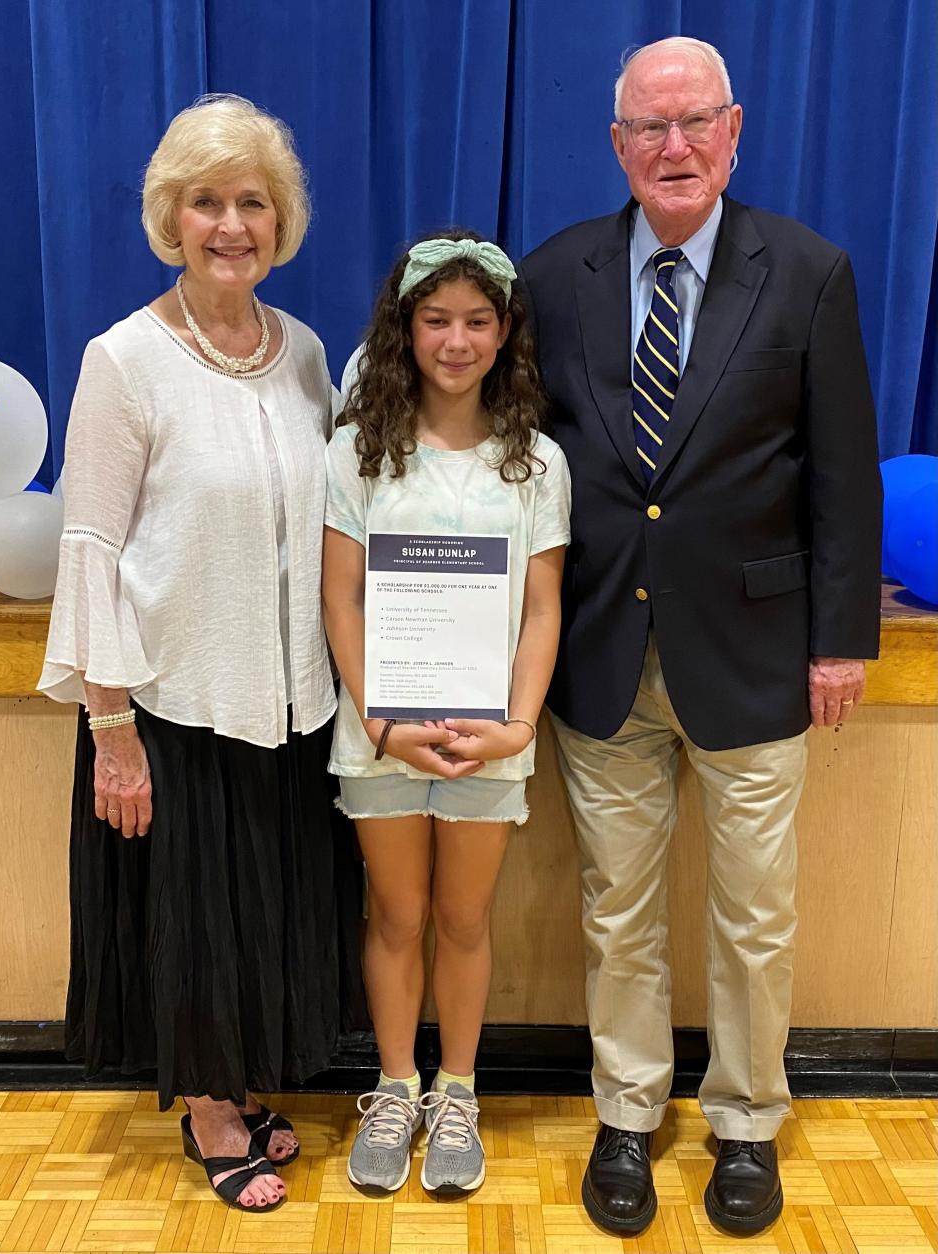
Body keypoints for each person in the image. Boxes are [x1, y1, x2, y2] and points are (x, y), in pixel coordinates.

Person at [518, 37, 881, 1238]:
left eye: (693, 124)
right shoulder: (554, 271)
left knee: (754, 913)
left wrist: (843, 640)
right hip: (599, 656)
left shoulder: (809, 273)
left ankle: (743, 1126)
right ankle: (628, 1111)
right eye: (647, 129)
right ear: (617, 145)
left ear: (734, 132)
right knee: (618, 908)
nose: (672, 148)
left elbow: (841, 472)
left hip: (762, 654)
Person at [39, 94, 360, 1213]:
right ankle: (211, 1112)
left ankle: (248, 1078)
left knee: (267, 909)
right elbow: (92, 545)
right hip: (173, 703)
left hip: (291, 698)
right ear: (170, 219)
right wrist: (111, 730)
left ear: (283, 221)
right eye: (207, 203)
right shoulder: (125, 360)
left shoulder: (305, 353)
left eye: (253, 203)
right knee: (200, 917)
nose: (232, 224)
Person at [322, 230, 571, 1195]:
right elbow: (340, 597)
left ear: (505, 333)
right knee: (396, 913)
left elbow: (543, 605)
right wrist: (384, 725)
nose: (456, 340)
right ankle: (394, 1088)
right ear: (406, 329)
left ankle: (457, 1091)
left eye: (476, 321)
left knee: (464, 919)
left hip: (488, 739)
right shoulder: (357, 451)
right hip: (380, 733)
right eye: (436, 320)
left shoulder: (537, 462)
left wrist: (515, 723)